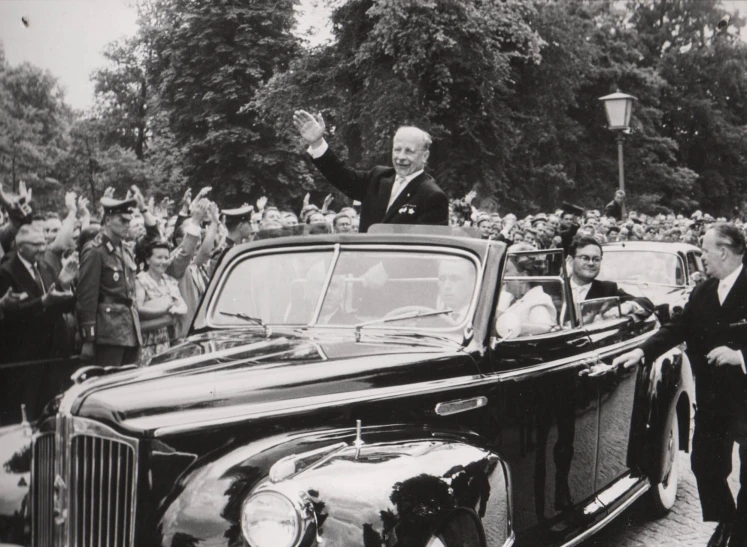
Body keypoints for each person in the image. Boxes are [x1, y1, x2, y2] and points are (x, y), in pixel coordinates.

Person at [614, 223, 747, 547]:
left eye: (704, 250)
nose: (702, 256)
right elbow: (678, 327)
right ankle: (728, 521)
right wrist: (640, 351)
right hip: (714, 399)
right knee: (704, 464)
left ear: (724, 251)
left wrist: (740, 355)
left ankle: (740, 535)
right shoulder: (704, 290)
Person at [293, 110, 449, 232]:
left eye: (409, 151)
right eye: (397, 150)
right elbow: (341, 176)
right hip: (363, 266)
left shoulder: (432, 196)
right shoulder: (378, 177)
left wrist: (383, 270)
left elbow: (424, 252)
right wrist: (317, 142)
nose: (401, 157)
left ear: (424, 156)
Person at [77, 197, 142, 367]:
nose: (127, 224)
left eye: (129, 220)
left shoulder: (125, 250)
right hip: (108, 334)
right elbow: (87, 297)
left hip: (129, 331)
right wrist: (88, 339)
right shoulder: (95, 251)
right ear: (107, 220)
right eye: (122, 220)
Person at [567, 234, 654, 321]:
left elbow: (646, 303)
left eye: (596, 259)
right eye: (585, 258)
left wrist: (627, 306)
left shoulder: (607, 289)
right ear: (570, 260)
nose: (591, 263)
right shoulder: (557, 287)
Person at [136, 240, 188, 360]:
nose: (163, 262)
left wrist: (177, 309)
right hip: (147, 343)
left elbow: (183, 306)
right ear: (148, 260)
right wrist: (164, 311)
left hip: (168, 342)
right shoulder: (141, 280)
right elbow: (138, 308)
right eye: (159, 257)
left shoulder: (169, 281)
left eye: (166, 258)